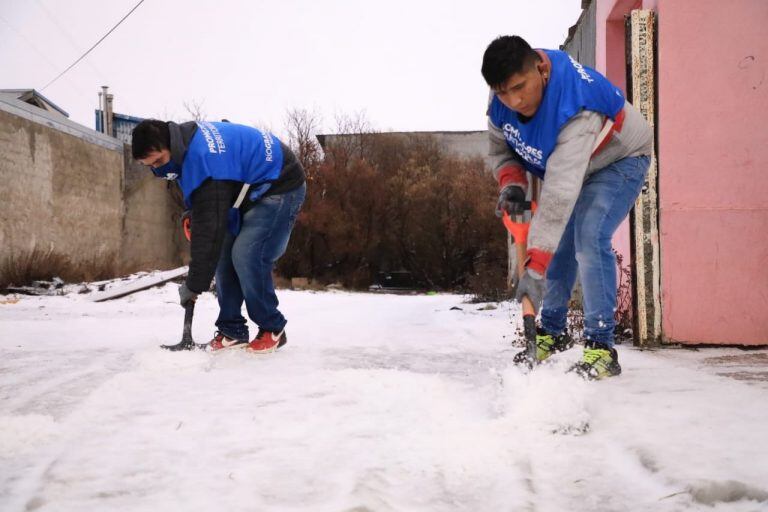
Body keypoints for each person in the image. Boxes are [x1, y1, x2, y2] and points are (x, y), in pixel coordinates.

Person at [481, 35, 652, 378]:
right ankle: (553, 332)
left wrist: (534, 268)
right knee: (557, 243)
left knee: (589, 236)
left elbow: (559, 192)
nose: (513, 100)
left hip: (618, 158)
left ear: (541, 69)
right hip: (573, 165)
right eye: (503, 92)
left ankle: (601, 346)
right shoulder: (501, 99)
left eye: (519, 87)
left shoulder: (577, 108)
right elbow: (502, 151)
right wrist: (512, 184)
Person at [131, 119, 306, 353]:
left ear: (170, 145)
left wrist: (193, 285)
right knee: (223, 252)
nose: (157, 170)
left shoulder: (204, 160)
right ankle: (232, 329)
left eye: (159, 161)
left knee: (247, 253)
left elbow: (209, 228)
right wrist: (194, 213)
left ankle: (272, 327)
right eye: (150, 166)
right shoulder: (183, 149)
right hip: (247, 189)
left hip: (280, 182)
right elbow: (209, 200)